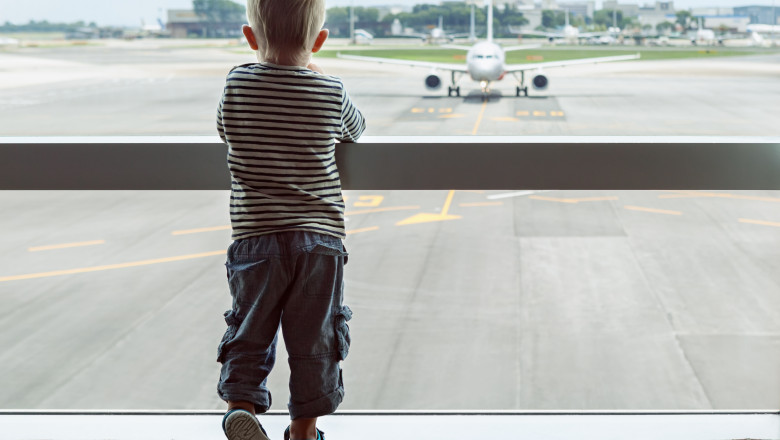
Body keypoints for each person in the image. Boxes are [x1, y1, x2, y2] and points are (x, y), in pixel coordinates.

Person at [215, 0, 366, 439]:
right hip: (319, 238)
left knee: (250, 326)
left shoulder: (237, 82)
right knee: (315, 339)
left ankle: (240, 405)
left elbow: (225, 129)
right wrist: (317, 77)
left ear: (250, 38)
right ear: (319, 41)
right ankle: (303, 430)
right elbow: (356, 129)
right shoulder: (330, 89)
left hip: (255, 236)